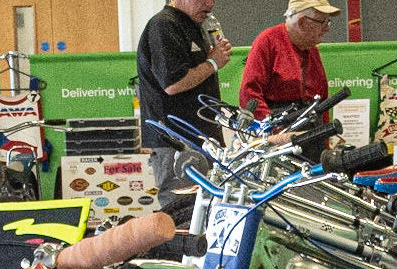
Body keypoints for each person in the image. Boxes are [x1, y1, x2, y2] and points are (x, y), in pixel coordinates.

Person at [137, 0, 232, 193]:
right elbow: (172, 84)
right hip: (178, 141)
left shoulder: (196, 25)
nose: (210, 4)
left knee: (206, 210)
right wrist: (213, 63)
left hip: (202, 137)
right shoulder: (164, 25)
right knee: (183, 213)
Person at [239, 0, 338, 158]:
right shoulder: (268, 41)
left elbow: (322, 102)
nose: (326, 28)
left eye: (328, 22)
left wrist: (325, 139)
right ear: (302, 22)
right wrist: (273, 132)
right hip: (279, 138)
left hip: (310, 133)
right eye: (322, 22)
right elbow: (250, 94)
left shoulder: (311, 49)